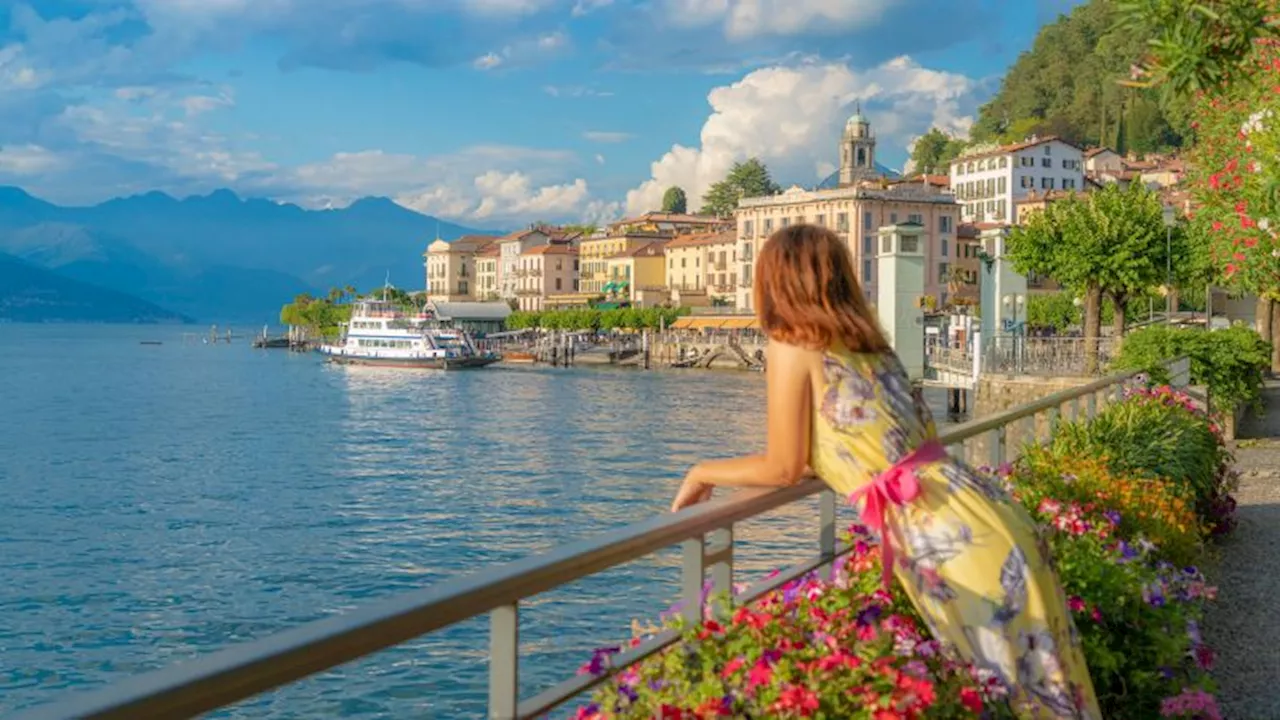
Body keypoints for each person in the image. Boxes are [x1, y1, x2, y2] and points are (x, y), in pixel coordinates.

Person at [670, 224, 1101, 719]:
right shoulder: (873, 347)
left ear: (775, 281)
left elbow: (783, 466)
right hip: (987, 514)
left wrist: (703, 471)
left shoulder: (791, 346)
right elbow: (870, 440)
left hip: (942, 537)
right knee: (1050, 690)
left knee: (1008, 698)